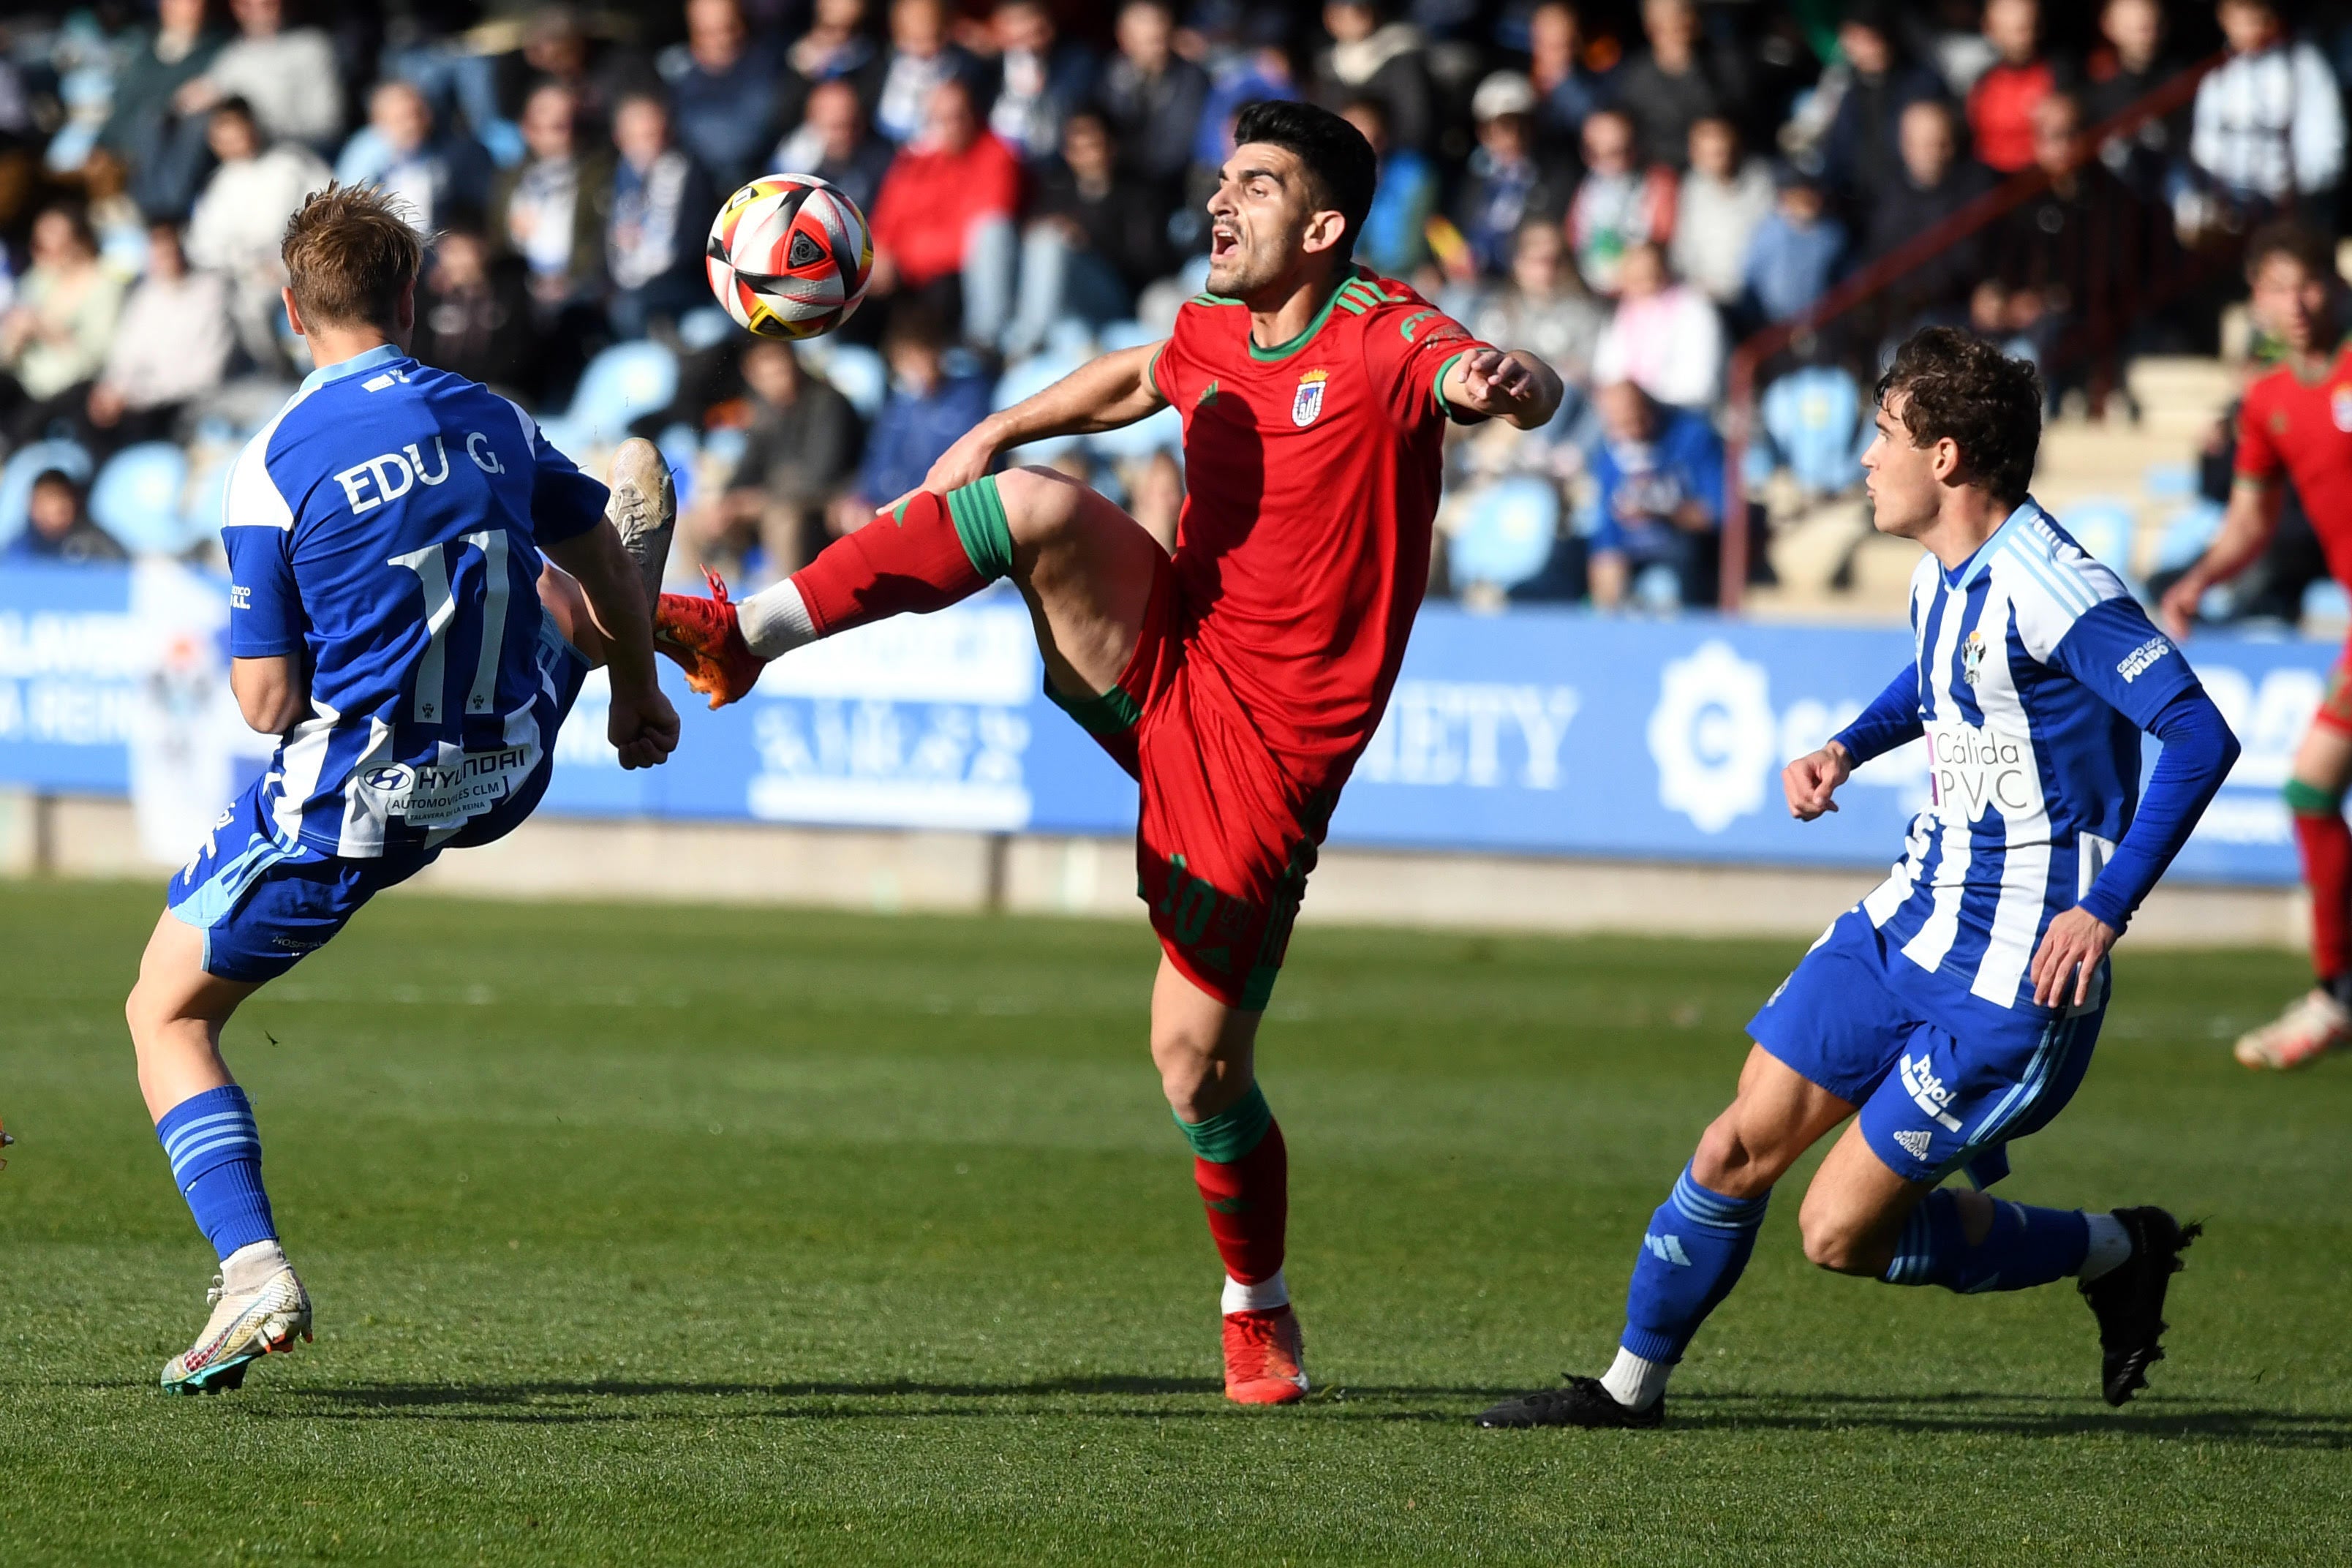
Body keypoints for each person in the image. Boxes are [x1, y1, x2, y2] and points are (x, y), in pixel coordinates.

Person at [653, 101, 1561, 1403]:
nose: (1221, 202)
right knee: (1027, 507)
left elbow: (1481, 370)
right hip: (1168, 647)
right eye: (1222, 179)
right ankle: (742, 632)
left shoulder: (1381, 334)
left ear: (1322, 225)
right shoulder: (1216, 328)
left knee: (1196, 1062)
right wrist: (1001, 430)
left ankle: (1256, 1299)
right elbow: (1140, 375)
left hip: (1268, 755)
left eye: (1256, 185)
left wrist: (1512, 382)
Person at [1479, 327, 2238, 1430]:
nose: (1864, 458)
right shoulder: (1949, 571)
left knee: (1839, 1235)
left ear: (1946, 459)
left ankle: (2118, 1249)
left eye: (1883, 434)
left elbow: (2197, 734)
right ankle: (1625, 1390)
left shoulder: (2053, 582)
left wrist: (2103, 908)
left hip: (2014, 971)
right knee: (1735, 1143)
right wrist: (1848, 745)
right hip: (1911, 918)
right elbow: (1941, 677)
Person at [124, 183, 682, 1395]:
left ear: (289, 309)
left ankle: (253, 1266)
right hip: (504, 770)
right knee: (547, 582)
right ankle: (588, 647)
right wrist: (638, 686)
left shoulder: (273, 461)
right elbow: (586, 533)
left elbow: (267, 703)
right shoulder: (496, 415)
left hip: (352, 803)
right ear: (411, 299)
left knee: (164, 1012)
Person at [2159, 225, 2352, 1068]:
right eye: (2280, 288)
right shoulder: (2270, 400)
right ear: (2258, 300)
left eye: (2310, 283)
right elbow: (2250, 519)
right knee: (2311, 792)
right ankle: (2337, 990)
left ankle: (2336, 991)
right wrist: (2199, 578)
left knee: (2312, 785)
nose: (2299, 303)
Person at [685, 339, 862, 584]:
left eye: (780, 369)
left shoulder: (828, 403)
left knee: (783, 518)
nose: (776, 379)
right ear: (752, 376)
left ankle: (791, 602)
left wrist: (760, 499)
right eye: (766, 374)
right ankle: (700, 608)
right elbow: (748, 466)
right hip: (769, 501)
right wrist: (726, 501)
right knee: (692, 523)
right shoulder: (763, 409)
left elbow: (823, 475)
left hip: (819, 505)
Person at [866, 78, 1023, 348]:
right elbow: (885, 221)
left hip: (953, 281)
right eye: (940, 120)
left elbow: (973, 240)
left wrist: (903, 256)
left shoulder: (998, 157)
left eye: (957, 117)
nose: (950, 127)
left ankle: (982, 349)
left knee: (943, 290)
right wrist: (879, 251)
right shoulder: (916, 162)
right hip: (904, 278)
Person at [1007, 110, 1173, 356]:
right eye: (1077, 148)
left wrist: (1088, 241)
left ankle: (1029, 342)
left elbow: (1148, 263)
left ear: (1111, 146)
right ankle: (1024, 337)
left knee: (1051, 242)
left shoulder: (1138, 193)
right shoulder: (1057, 191)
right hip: (1069, 301)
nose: (1087, 156)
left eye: (1093, 146)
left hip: (1119, 295)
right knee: (1043, 238)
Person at [185, 97, 333, 366]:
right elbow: (204, 248)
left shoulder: (292, 164)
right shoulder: (219, 186)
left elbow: (330, 211)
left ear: (253, 127)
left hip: (306, 272)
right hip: (247, 284)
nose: (232, 144)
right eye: (223, 138)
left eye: (237, 134)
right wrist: (247, 266)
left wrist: (288, 264)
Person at [824, 304, 992, 535]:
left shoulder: (971, 397)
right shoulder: (899, 405)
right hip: (892, 506)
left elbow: (961, 467)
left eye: (925, 355)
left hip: (941, 508)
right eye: (911, 359)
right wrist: (860, 499)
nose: (921, 367)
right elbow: (878, 460)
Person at [2185, 0, 2345, 238]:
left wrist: (2290, 186)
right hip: (2235, 211)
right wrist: (2228, 194)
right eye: (2239, 19)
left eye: (2256, 18)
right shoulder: (2218, 77)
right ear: (2224, 20)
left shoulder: (2303, 65)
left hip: (2293, 208)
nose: (2249, 28)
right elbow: (2205, 148)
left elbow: (2326, 145)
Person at [83, 221, 235, 454]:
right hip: (138, 399)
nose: (164, 260)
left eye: (169, 252)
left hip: (184, 402)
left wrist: (136, 395)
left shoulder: (212, 294)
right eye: (157, 254)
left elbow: (204, 374)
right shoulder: (146, 296)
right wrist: (113, 389)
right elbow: (125, 354)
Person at [1584, 380, 1722, 609]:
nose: (1630, 434)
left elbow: (1716, 513)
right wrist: (1606, 557)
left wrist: (1661, 513)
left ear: (1650, 411)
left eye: (1635, 421)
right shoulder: (1608, 452)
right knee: (1579, 560)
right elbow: (1606, 525)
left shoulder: (1694, 436)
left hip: (1684, 544)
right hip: (1632, 550)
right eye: (1619, 427)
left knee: (1687, 556)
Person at [0, 205, 128, 445]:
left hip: (71, 387)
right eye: (38, 241)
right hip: (26, 380)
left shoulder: (105, 286)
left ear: (79, 241)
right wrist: (14, 339)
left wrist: (48, 330)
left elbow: (97, 358)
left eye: (51, 239)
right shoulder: (39, 280)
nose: (41, 249)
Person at [605, 94, 717, 339]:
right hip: (626, 280)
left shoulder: (690, 173)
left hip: (682, 280)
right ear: (620, 139)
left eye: (655, 134)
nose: (650, 144)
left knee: (628, 309)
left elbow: (694, 244)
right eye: (638, 137)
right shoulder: (614, 176)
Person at [173, 0, 344, 154]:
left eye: (267, 4)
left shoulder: (310, 47)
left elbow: (327, 126)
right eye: (246, 5)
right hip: (234, 162)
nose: (258, 11)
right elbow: (192, 103)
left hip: (291, 157)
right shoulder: (232, 55)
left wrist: (255, 129)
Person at [334, 80, 492, 237]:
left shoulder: (451, 151)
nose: (412, 125)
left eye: (418, 114)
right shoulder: (365, 153)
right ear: (379, 121)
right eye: (402, 118)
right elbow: (347, 207)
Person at [662, 0, 781, 195]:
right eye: (708, 32)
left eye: (728, 29)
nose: (721, 40)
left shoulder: (770, 69)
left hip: (764, 193)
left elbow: (740, 144)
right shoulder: (676, 79)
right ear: (693, 34)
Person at [1096, 0, 1211, 195]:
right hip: (1118, 185)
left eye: (1159, 36)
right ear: (1123, 36)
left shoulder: (1192, 79)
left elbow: (1178, 146)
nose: (1156, 42)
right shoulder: (1109, 77)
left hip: (1172, 186)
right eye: (1148, 39)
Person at [1591, 241, 1721, 411]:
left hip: (1684, 414)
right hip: (1632, 415)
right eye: (1634, 280)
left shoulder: (1695, 309)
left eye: (1648, 278)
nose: (1642, 288)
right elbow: (1605, 374)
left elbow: (1701, 387)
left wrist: (1642, 402)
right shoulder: (1623, 314)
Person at [1613, 0, 1741, 172]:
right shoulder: (1635, 77)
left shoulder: (1724, 65)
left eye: (1682, 17)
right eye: (1664, 23)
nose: (1675, 27)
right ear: (1650, 27)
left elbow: (1740, 120)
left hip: (1722, 168)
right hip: (1661, 173)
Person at [1566, 108, 1676, 298]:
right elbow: (1574, 238)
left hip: (1646, 293)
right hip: (1593, 293)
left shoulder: (1659, 182)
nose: (1611, 161)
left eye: (1620, 150)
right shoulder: (1587, 188)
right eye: (1597, 151)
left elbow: (1660, 244)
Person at [1672, 116, 1774, 308]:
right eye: (1708, 154)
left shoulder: (1761, 181)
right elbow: (1684, 248)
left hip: (1754, 296)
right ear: (1694, 154)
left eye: (1722, 152)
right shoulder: (1691, 188)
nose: (1718, 160)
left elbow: (1768, 246)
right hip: (1705, 295)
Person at [986, 0, 1100, 165]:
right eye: (1017, 38)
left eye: (1033, 33)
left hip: (1060, 170)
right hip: (1003, 167)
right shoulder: (989, 67)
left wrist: (1044, 88)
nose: (1026, 47)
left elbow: (1076, 119)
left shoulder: (1077, 63)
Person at [1312, 1, 1433, 155]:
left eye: (1359, 9)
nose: (1352, 18)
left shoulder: (1403, 55)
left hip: (1398, 157)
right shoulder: (1328, 66)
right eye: (1340, 13)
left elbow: (1417, 125)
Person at [1967, 0, 2063, 177]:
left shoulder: (2059, 71)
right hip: (1995, 185)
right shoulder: (1982, 84)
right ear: (1989, 29)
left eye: (2025, 28)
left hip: (2045, 180)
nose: (2021, 37)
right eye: (2013, 31)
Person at [1742, 167, 1846, 326]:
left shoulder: (1833, 235)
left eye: (1813, 191)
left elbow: (1846, 284)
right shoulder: (1769, 232)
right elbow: (1750, 281)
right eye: (1800, 194)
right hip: (1772, 328)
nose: (1808, 199)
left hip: (1822, 326)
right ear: (1785, 197)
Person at [1, 470, 123, 565]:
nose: (56, 506)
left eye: (62, 498)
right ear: (32, 505)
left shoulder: (98, 546)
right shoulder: (16, 550)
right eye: (48, 498)